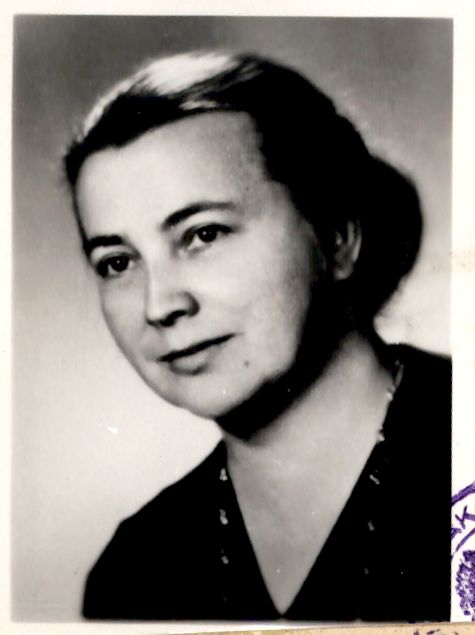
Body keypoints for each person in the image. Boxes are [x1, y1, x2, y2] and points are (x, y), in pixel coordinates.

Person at [64, 51, 451, 622]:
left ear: (337, 236)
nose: (160, 305)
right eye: (117, 262)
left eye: (204, 234)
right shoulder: (135, 574)